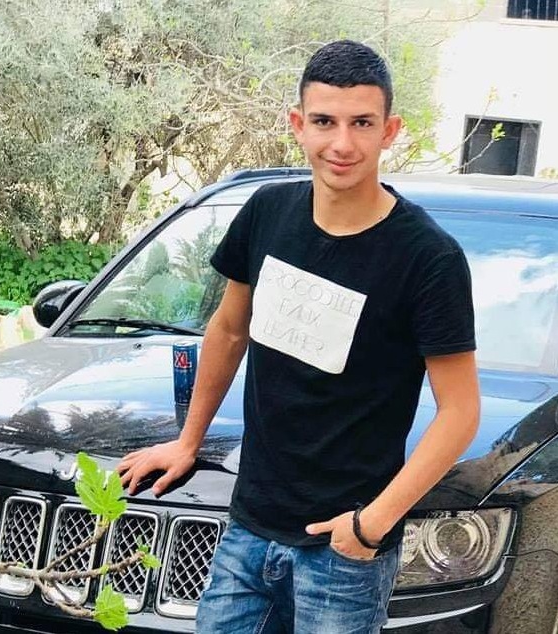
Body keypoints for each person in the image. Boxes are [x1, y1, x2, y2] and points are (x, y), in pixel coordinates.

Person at [118, 39, 480, 633]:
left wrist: (371, 525)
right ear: (298, 125)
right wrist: (187, 442)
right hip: (249, 527)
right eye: (324, 121)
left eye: (362, 123)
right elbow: (229, 330)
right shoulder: (268, 212)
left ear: (389, 131)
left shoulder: (427, 257)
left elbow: (461, 412)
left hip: (344, 548)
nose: (342, 143)